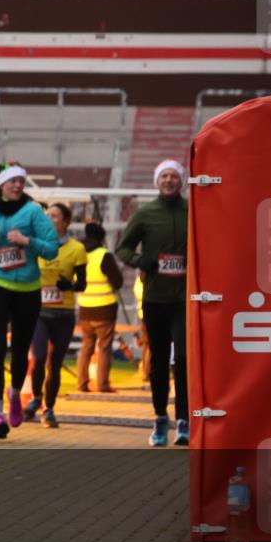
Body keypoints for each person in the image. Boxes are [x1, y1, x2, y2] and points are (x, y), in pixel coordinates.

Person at [0, 163, 58, 440]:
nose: (18, 185)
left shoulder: (33, 212)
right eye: (12, 181)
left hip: (27, 289)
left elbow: (52, 247)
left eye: (21, 181)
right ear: (1, 185)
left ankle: (15, 393)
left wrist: (26, 241)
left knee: (20, 349)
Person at [116, 159, 189, 447]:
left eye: (174, 176)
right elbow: (122, 247)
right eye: (164, 176)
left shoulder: (194, 212)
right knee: (158, 362)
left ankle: (184, 420)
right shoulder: (145, 213)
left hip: (185, 298)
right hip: (156, 298)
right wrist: (139, 261)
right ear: (157, 182)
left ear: (182, 182)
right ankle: (160, 418)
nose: (169, 180)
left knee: (183, 359)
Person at [25, 203, 87, 428]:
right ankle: (35, 398)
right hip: (39, 312)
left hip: (64, 314)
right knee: (39, 356)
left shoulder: (76, 249)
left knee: (55, 363)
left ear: (65, 222)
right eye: (46, 215)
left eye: (54, 216)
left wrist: (69, 285)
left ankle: (49, 409)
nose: (49, 219)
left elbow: (82, 285)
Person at [75, 222, 124, 394]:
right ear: (102, 238)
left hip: (85, 307)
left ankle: (82, 383)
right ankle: (102, 384)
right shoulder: (103, 255)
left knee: (86, 347)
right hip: (104, 308)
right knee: (104, 347)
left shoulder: (77, 253)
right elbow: (118, 281)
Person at [133, 271, 151, 385]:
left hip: (145, 313)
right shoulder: (144, 281)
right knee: (149, 344)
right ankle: (146, 372)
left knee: (147, 344)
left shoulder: (139, 281)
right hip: (148, 313)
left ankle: (146, 371)